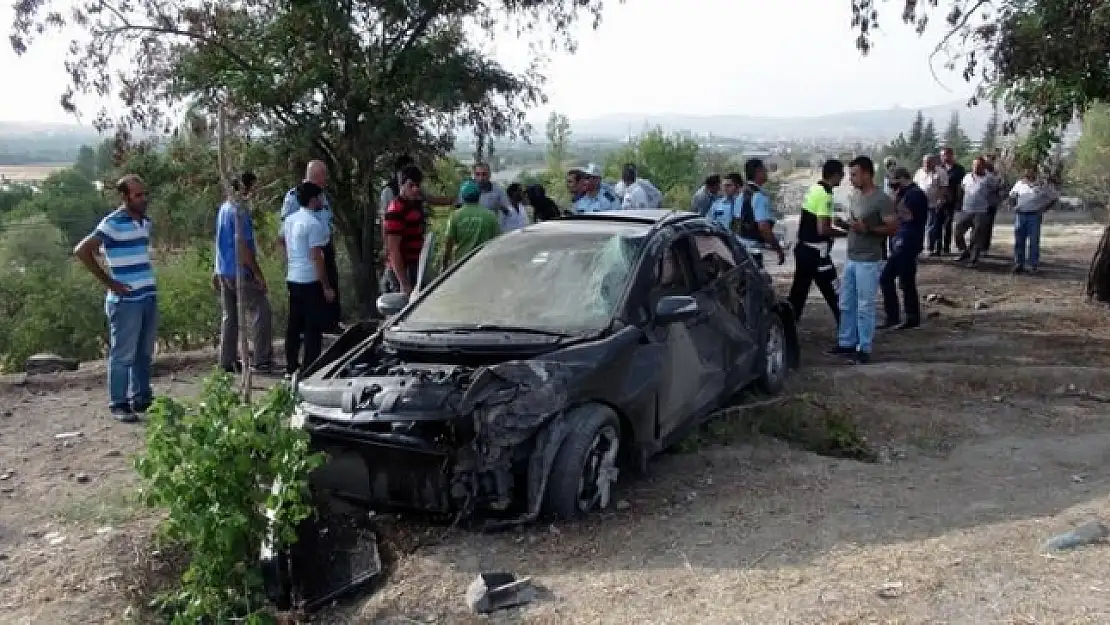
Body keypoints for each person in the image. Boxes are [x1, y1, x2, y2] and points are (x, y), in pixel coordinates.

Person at [73, 174, 158, 422]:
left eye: (144, 194)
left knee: (144, 352)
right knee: (123, 354)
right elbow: (82, 250)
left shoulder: (144, 222)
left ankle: (142, 398)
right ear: (124, 197)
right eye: (137, 195)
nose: (143, 199)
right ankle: (118, 403)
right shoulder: (112, 223)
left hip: (147, 295)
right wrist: (110, 283)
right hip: (126, 301)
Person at [828, 156, 898, 365]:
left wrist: (869, 229)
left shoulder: (881, 199)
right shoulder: (855, 196)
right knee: (846, 302)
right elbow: (856, 225)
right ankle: (846, 342)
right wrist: (845, 225)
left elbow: (892, 228)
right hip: (852, 257)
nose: (851, 178)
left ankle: (864, 347)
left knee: (865, 305)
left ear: (867, 173)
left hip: (868, 260)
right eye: (850, 174)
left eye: (855, 174)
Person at [213, 171, 274, 375]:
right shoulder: (239, 211)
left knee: (230, 317)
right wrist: (257, 273)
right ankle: (261, 359)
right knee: (261, 311)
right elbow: (242, 246)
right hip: (239, 271)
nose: (254, 192)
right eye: (253, 187)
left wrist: (217, 269)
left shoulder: (224, 208)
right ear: (244, 187)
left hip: (224, 270)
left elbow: (221, 241)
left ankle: (227, 360)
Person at [279, 181, 333, 377]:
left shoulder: (290, 220)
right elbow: (317, 258)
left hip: (293, 277)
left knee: (294, 324)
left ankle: (291, 364)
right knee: (312, 326)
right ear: (312, 200)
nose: (321, 201)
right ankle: (309, 367)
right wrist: (326, 286)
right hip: (310, 280)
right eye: (319, 198)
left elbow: (283, 244)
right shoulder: (313, 224)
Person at [281, 160, 341, 333]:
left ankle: (331, 323)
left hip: (324, 246)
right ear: (316, 175)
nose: (326, 179)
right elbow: (285, 232)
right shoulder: (294, 197)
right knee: (312, 296)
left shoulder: (322, 196)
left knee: (331, 285)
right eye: (324, 175)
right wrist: (289, 259)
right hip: (307, 252)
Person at [787, 159, 846, 324]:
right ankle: (848, 332)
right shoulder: (825, 194)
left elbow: (816, 220)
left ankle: (787, 328)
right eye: (842, 174)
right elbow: (823, 229)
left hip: (804, 249)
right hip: (817, 254)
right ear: (835, 175)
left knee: (798, 293)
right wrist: (846, 233)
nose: (843, 177)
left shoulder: (815, 188)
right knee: (835, 293)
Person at [879, 167, 928, 330]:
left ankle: (908, 317)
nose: (893, 188)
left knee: (901, 280)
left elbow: (912, 216)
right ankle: (900, 316)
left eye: (894, 183)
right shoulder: (905, 193)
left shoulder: (915, 194)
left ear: (902, 179)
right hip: (901, 241)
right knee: (898, 280)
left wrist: (895, 209)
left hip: (908, 242)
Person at [383, 166, 428, 294]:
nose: (415, 189)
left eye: (417, 185)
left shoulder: (413, 204)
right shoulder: (396, 210)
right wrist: (403, 282)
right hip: (403, 270)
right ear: (401, 185)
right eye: (411, 185)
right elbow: (393, 249)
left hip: (415, 265)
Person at [1010, 168, 1060, 274]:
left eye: (1030, 170)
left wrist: (1045, 208)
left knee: (1033, 241)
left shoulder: (1042, 185)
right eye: (1026, 171)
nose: (1027, 172)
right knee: (1019, 241)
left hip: (1034, 216)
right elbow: (1012, 196)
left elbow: (1054, 197)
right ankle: (1019, 264)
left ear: (1035, 172)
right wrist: (1013, 206)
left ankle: (1033, 265)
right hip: (1020, 215)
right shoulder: (1019, 184)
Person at [443, 180, 502, 267]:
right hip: (484, 263)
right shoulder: (490, 215)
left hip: (461, 264)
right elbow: (498, 241)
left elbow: (448, 243)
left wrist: (445, 264)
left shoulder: (455, 216)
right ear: (479, 195)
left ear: (462, 196)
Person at [954, 156, 1000, 267]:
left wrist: (992, 204)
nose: (976, 167)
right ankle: (964, 251)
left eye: (978, 165)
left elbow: (996, 190)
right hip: (966, 209)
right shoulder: (967, 177)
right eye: (974, 165)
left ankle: (973, 260)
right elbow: (962, 190)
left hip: (981, 211)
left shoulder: (989, 178)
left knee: (976, 237)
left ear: (983, 167)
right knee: (958, 231)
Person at [741, 158, 786, 266]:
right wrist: (778, 249)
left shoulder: (741, 193)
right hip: (753, 249)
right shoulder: (758, 196)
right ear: (758, 171)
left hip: (740, 248)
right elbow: (763, 228)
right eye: (765, 170)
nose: (767, 173)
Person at [931, 146, 966, 256]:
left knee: (948, 225)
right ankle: (937, 248)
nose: (944, 157)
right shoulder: (937, 169)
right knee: (937, 225)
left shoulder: (959, 169)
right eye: (942, 155)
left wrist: (959, 201)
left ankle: (946, 247)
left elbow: (962, 187)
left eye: (946, 154)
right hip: (938, 201)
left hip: (952, 201)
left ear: (951, 155)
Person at [914, 154, 948, 255]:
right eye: (925, 162)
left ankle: (930, 248)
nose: (927, 164)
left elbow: (943, 187)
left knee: (932, 227)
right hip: (920, 204)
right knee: (920, 226)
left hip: (934, 204)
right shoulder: (919, 172)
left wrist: (940, 199)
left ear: (934, 162)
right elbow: (915, 186)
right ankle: (919, 247)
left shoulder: (941, 172)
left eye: (929, 162)